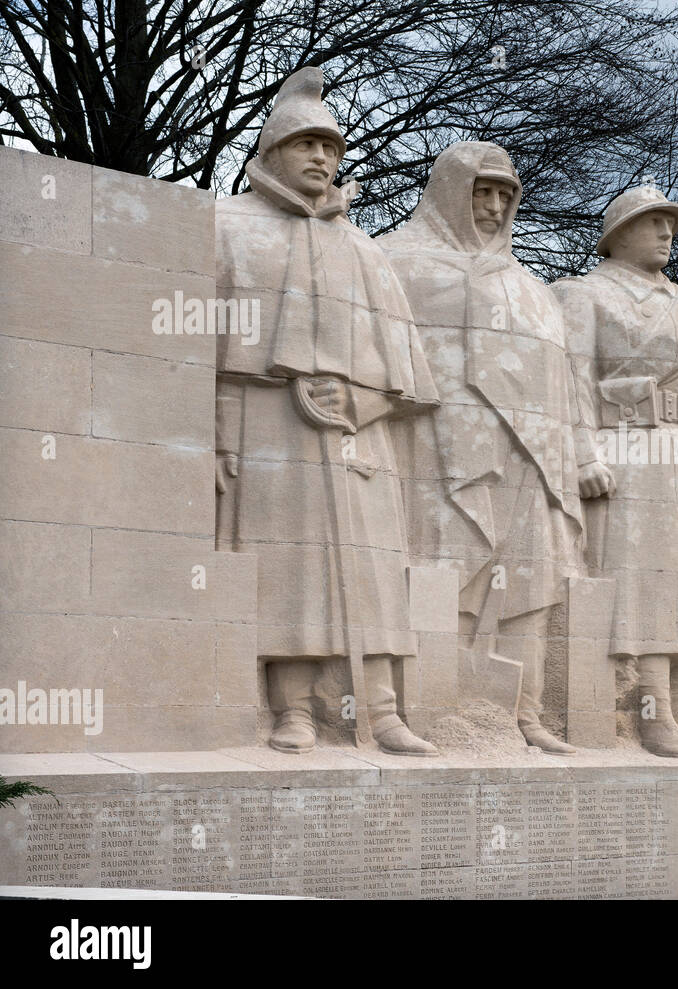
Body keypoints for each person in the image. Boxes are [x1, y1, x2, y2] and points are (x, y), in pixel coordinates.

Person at [215, 67, 437, 755]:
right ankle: (294, 708)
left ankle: (381, 708)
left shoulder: (365, 250)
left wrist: (364, 397)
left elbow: (410, 377)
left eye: (331, 147)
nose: (321, 157)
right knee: (289, 571)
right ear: (272, 150)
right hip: (269, 427)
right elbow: (200, 350)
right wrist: (220, 436)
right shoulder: (226, 226)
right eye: (306, 143)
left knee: (371, 571)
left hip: (358, 437)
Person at [380, 142, 585, 754]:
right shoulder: (395, 261)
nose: (495, 206)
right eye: (481, 191)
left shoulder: (533, 290)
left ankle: (524, 714)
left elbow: (565, 386)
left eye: (505, 194)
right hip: (443, 449)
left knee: (527, 580)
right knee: (448, 569)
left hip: (533, 455)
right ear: (450, 191)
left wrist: (574, 458)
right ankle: (436, 705)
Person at [553, 186, 678, 759]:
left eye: (670, 223)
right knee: (645, 591)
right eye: (652, 222)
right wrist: (585, 455)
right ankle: (649, 713)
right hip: (627, 453)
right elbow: (571, 380)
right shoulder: (585, 295)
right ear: (618, 234)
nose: (666, 232)